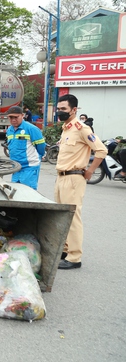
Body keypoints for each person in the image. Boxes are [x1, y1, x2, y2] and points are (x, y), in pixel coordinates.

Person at [54, 94, 107, 270]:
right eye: (58, 108)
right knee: (61, 216)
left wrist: (90, 171)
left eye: (63, 109)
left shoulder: (81, 128)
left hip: (74, 178)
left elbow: (101, 150)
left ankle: (75, 257)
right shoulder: (66, 128)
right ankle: (66, 250)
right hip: (61, 177)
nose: (59, 112)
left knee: (73, 217)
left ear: (74, 110)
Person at [5, 106, 46, 190]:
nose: (13, 120)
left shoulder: (31, 129)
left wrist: (38, 157)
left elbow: (41, 148)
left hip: (29, 168)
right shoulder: (9, 130)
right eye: (11, 117)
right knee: (15, 193)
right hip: (15, 168)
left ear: (22, 115)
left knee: (28, 194)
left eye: (16, 117)